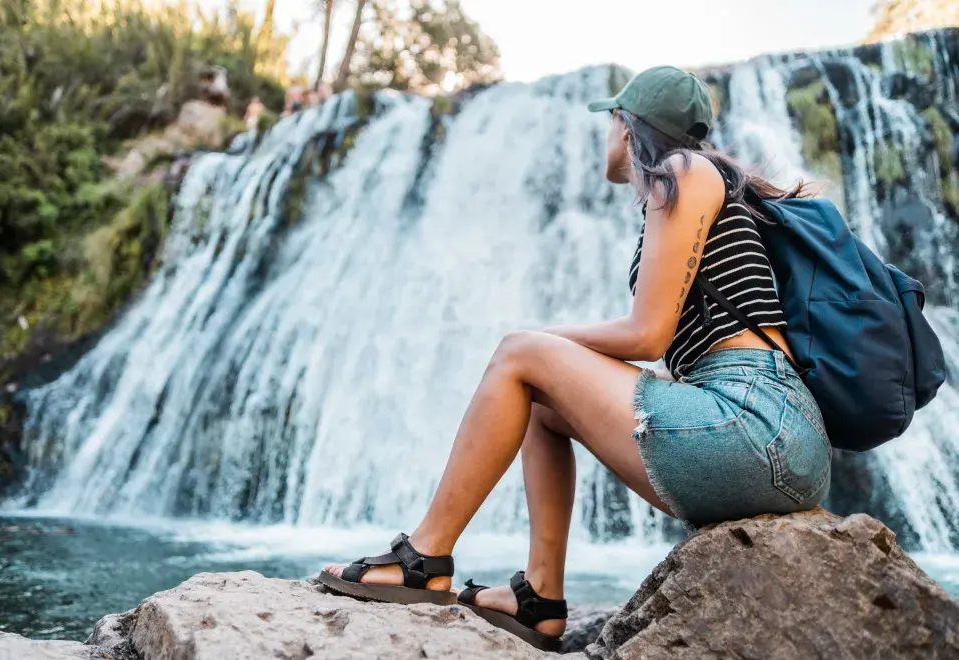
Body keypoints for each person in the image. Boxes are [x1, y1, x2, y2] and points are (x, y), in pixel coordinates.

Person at [318, 66, 832, 652]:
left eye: (610, 122)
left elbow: (646, 336)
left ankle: (424, 557)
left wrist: (537, 339)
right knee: (542, 399)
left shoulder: (684, 173)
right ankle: (540, 599)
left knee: (523, 355)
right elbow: (682, 346)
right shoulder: (704, 183)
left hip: (755, 424)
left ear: (625, 124)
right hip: (767, 432)